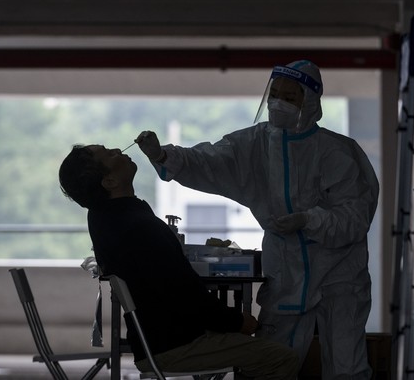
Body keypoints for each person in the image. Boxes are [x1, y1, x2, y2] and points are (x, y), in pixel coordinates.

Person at [136, 59, 379, 379]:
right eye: (274, 94)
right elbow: (208, 161)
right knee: (269, 364)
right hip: (286, 274)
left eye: (290, 97)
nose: (278, 103)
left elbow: (355, 217)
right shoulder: (252, 145)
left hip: (340, 275)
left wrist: (310, 220)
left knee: (346, 366)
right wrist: (164, 156)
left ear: (310, 103)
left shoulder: (338, 153)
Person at [58, 144, 300, 379]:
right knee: (282, 358)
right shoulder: (138, 226)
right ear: (109, 181)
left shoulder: (104, 217)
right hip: (175, 345)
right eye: (110, 154)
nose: (119, 151)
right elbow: (184, 294)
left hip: (158, 340)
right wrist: (237, 321)